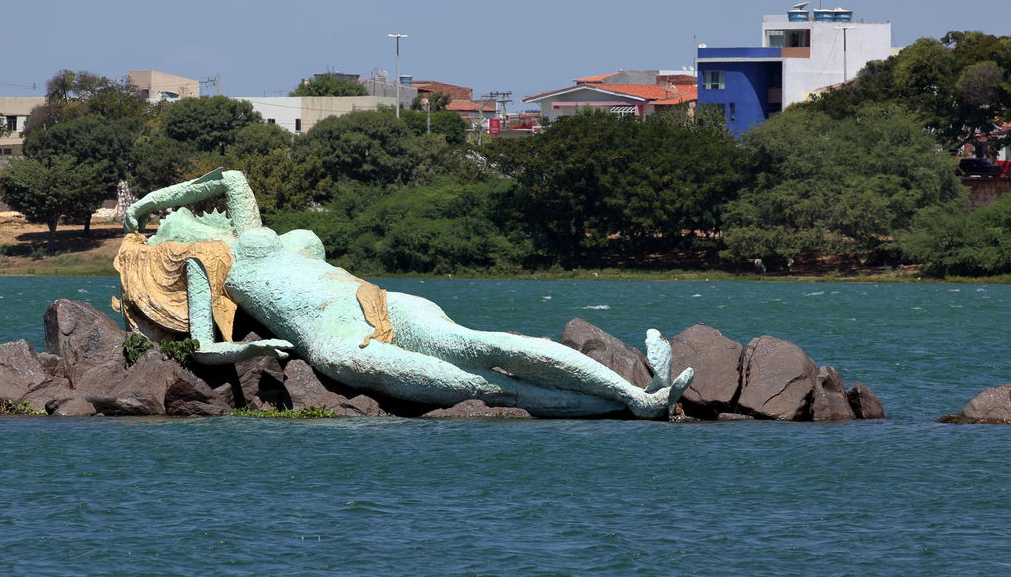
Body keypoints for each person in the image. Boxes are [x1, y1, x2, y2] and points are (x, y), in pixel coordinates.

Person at [118, 169, 691, 418]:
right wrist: (249, 350)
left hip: (379, 301)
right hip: (335, 338)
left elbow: (231, 179)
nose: (176, 219)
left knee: (486, 344)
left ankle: (634, 395)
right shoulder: (203, 265)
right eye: (165, 225)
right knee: (480, 385)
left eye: (174, 215)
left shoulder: (255, 233)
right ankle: (628, 404)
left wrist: (146, 202)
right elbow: (201, 348)